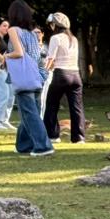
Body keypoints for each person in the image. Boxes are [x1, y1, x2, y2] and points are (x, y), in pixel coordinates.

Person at [4, 0, 53, 157]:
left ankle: (43, 146)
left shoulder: (13, 30)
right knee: (31, 113)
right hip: (36, 77)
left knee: (29, 113)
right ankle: (23, 145)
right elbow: (36, 57)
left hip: (23, 78)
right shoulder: (32, 33)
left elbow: (18, 53)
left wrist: (5, 56)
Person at [42, 11, 85, 144]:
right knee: (76, 107)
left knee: (51, 105)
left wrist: (44, 72)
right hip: (75, 75)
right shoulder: (74, 39)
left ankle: (53, 135)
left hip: (60, 74)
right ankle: (79, 137)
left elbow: (51, 59)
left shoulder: (56, 38)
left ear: (55, 25)